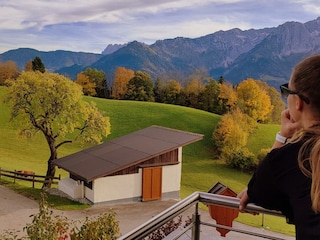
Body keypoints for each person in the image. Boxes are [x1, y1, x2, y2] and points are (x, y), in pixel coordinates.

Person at [237, 55, 320, 240]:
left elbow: (258, 189)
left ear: (297, 102)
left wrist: (282, 136)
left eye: (287, 91)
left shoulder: (292, 157)